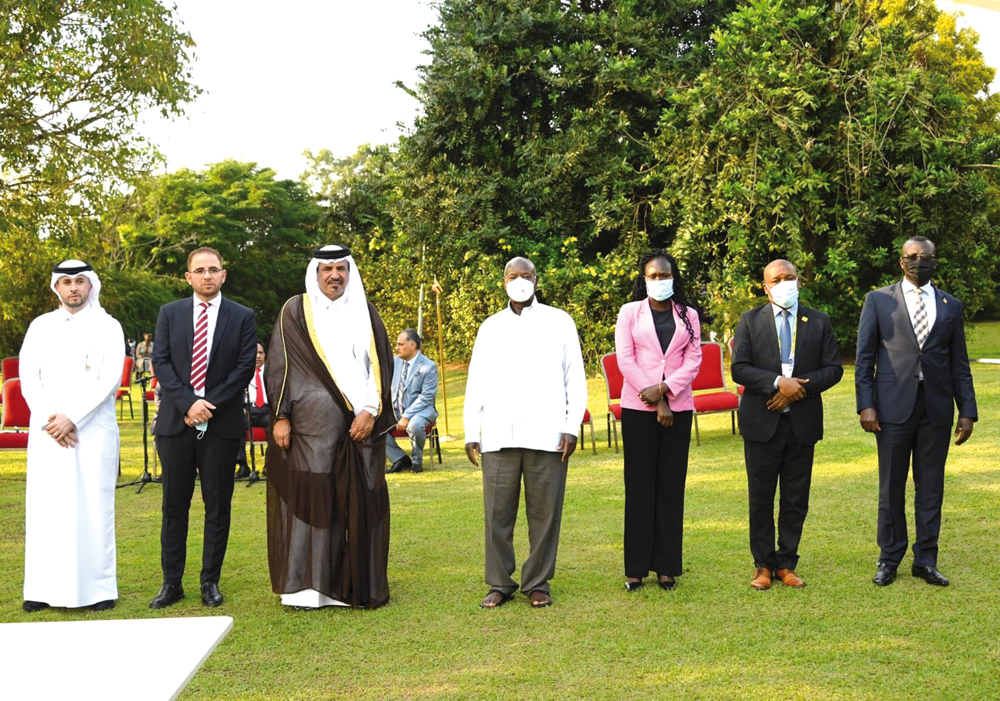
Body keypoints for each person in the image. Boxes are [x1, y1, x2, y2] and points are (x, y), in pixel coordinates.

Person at [265, 245, 395, 610]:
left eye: (341, 268)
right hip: (310, 430)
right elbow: (280, 365)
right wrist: (280, 416)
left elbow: (380, 367)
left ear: (350, 273)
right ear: (316, 273)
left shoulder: (366, 312)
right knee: (313, 500)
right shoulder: (296, 310)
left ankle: (351, 584)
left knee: (358, 501)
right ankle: (307, 589)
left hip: (358, 428)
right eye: (327, 269)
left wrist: (370, 411)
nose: (334, 275)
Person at [464, 257, 587, 609]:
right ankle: (499, 582)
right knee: (496, 515)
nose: (519, 281)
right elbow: (476, 380)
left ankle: (538, 582)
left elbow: (575, 377)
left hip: (547, 433)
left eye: (526, 275)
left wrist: (571, 426)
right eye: (512, 276)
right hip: (499, 433)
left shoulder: (559, 321)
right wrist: (472, 431)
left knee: (545, 514)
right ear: (504, 282)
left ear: (536, 279)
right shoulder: (490, 327)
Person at [856, 236, 977, 587]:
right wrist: (866, 405)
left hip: (936, 408)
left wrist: (967, 410)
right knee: (891, 487)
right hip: (891, 407)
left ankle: (926, 560)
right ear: (901, 261)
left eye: (925, 256)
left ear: (935, 262)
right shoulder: (878, 300)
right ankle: (889, 558)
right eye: (911, 256)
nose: (918, 261)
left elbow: (959, 363)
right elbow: (864, 358)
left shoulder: (951, 305)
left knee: (931, 488)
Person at [149, 247, 257, 609]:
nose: (207, 275)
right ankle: (171, 583)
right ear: (188, 277)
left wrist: (207, 406)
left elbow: (243, 368)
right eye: (200, 270)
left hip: (221, 424)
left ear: (223, 274)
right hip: (176, 424)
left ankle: (210, 580)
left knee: (217, 506)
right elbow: (161, 362)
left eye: (213, 269)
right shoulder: (170, 313)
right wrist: (188, 403)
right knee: (173, 506)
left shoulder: (242, 316)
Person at [19, 260, 125, 612]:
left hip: (91, 432)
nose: (74, 287)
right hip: (48, 432)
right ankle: (40, 589)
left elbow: (109, 379)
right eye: (66, 282)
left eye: (80, 281)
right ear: (57, 287)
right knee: (46, 508)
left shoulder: (108, 326)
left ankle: (98, 590)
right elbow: (28, 376)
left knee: (93, 508)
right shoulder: (40, 326)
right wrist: (51, 420)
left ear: (90, 285)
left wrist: (72, 419)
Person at [731, 260, 843, 590]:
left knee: (795, 498)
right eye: (777, 279)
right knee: (761, 497)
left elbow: (833, 369)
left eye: (789, 277)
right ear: (766, 287)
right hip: (761, 422)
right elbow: (739, 368)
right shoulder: (750, 320)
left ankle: (786, 563)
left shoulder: (818, 321)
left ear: (799, 281)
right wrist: (779, 383)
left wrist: (797, 389)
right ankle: (762, 565)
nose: (784, 283)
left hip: (801, 424)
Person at [614, 250, 702, 592]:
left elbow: (693, 360)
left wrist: (666, 391)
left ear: (673, 277)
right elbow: (625, 359)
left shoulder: (688, 315)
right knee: (639, 486)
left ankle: (667, 567)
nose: (659, 280)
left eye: (664, 275)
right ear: (644, 279)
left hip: (678, 409)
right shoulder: (629, 312)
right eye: (653, 275)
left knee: (670, 486)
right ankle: (635, 568)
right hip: (638, 408)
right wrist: (654, 397)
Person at [385, 328, 439, 474]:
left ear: (413, 345)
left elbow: (426, 397)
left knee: (415, 425)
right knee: (374, 425)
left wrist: (407, 416)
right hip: (395, 410)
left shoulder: (428, 366)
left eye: (400, 344)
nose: (396, 348)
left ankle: (416, 461)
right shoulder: (393, 363)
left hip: (421, 411)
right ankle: (400, 459)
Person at [235, 342, 269, 479]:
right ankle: (243, 466)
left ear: (265, 355)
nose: (257, 356)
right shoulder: (242, 373)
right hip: (247, 410)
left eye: (260, 353)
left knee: (276, 426)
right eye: (255, 353)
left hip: (267, 411)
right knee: (236, 424)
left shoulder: (272, 372)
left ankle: (269, 465)